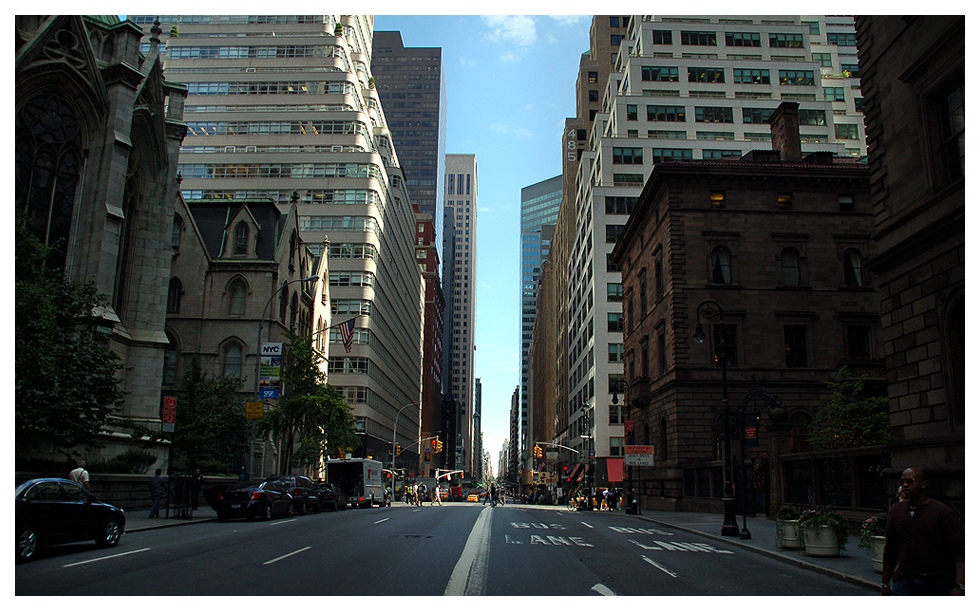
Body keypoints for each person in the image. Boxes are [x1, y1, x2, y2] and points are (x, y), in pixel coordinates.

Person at [881, 467, 965, 596]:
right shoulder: (896, 512)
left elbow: (959, 550)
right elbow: (891, 549)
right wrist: (885, 583)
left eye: (910, 481)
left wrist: (960, 585)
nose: (905, 485)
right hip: (905, 581)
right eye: (902, 482)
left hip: (937, 582)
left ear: (923, 484)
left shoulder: (942, 512)